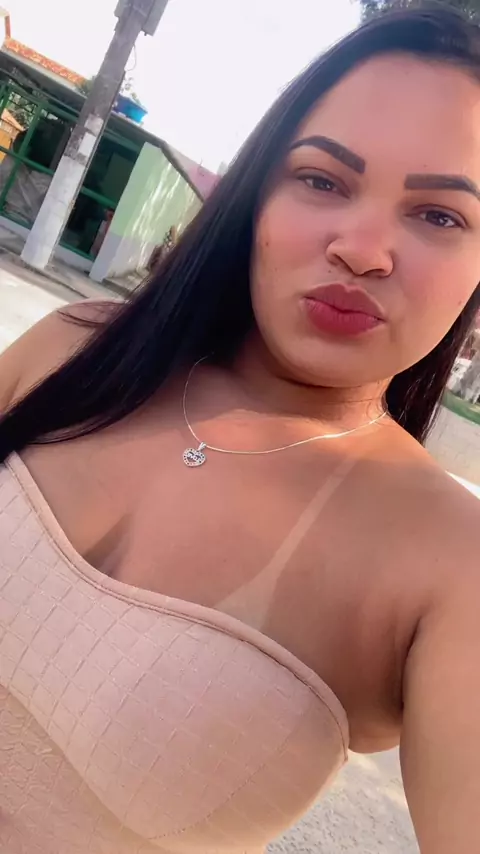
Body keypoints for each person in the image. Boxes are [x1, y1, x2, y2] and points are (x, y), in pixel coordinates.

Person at [1, 5, 480, 852]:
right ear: (258, 192)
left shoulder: (449, 563)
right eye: (323, 180)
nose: (363, 249)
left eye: (440, 216)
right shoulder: (72, 349)